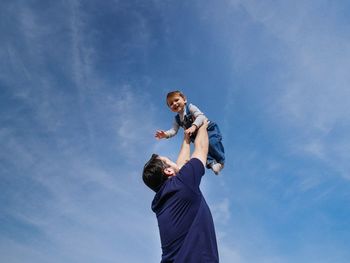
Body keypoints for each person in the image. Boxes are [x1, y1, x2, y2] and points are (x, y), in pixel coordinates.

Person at [143, 120, 219, 262]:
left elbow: (182, 164)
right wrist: (201, 123)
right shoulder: (183, 184)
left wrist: (186, 137)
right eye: (169, 160)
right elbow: (201, 149)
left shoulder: (162, 202)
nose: (174, 162)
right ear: (168, 170)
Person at [155, 90, 225, 175]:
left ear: (184, 100)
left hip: (209, 129)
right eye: (171, 104)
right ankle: (212, 163)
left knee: (212, 143)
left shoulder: (190, 107)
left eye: (176, 100)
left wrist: (194, 126)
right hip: (196, 136)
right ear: (170, 108)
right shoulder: (177, 119)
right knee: (202, 149)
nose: (174, 104)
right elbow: (173, 130)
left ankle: (221, 161)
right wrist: (165, 134)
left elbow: (201, 116)